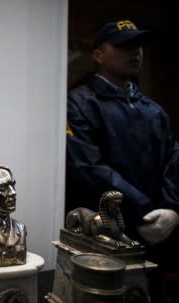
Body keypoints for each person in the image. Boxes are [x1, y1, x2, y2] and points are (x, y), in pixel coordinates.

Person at [66, 18, 179, 302]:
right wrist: (142, 212)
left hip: (157, 231)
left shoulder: (153, 110)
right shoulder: (78, 103)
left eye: (138, 45)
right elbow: (87, 167)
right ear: (98, 55)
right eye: (124, 45)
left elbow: (172, 160)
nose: (136, 52)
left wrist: (171, 210)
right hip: (104, 231)